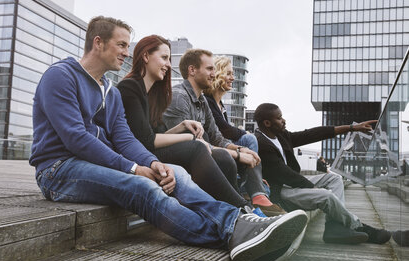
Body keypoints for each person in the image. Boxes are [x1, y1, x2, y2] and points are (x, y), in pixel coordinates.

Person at [28, 16, 308, 261]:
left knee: (179, 173)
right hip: (59, 170)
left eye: (128, 46)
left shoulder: (110, 93)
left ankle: (244, 229)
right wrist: (135, 169)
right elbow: (76, 138)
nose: (128, 53)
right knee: (142, 187)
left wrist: (152, 162)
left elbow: (125, 139)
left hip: (93, 165)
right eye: (122, 45)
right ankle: (235, 230)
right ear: (98, 43)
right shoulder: (61, 76)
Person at [118, 35, 251, 210]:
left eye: (169, 59)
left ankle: (237, 211)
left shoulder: (152, 93)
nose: (167, 65)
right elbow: (146, 140)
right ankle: (241, 209)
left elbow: (154, 135)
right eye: (164, 58)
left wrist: (182, 127)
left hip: (148, 150)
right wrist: (189, 138)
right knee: (196, 148)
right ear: (145, 57)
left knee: (223, 157)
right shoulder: (130, 87)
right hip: (138, 157)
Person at [163, 49, 285, 217]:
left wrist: (241, 150)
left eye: (214, 69)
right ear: (192, 70)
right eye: (209, 69)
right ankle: (243, 210)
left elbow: (217, 137)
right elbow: (185, 143)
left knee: (237, 153)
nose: (214, 74)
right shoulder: (178, 96)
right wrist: (237, 154)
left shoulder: (202, 100)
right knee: (224, 158)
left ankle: (249, 206)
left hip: (198, 152)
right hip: (175, 156)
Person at [253, 103, 392, 245]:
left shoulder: (280, 135)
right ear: (267, 123)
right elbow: (286, 174)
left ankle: (334, 227)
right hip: (280, 191)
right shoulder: (261, 143)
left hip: (291, 184)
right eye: (279, 118)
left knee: (334, 179)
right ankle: (358, 226)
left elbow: (311, 134)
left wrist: (351, 128)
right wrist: (313, 188)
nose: (284, 120)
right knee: (326, 195)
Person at [203, 55, 258, 152]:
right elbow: (226, 130)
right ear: (217, 75)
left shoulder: (219, 103)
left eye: (233, 74)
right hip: (213, 146)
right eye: (228, 74)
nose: (232, 78)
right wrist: (245, 132)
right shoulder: (208, 101)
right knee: (250, 139)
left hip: (223, 143)